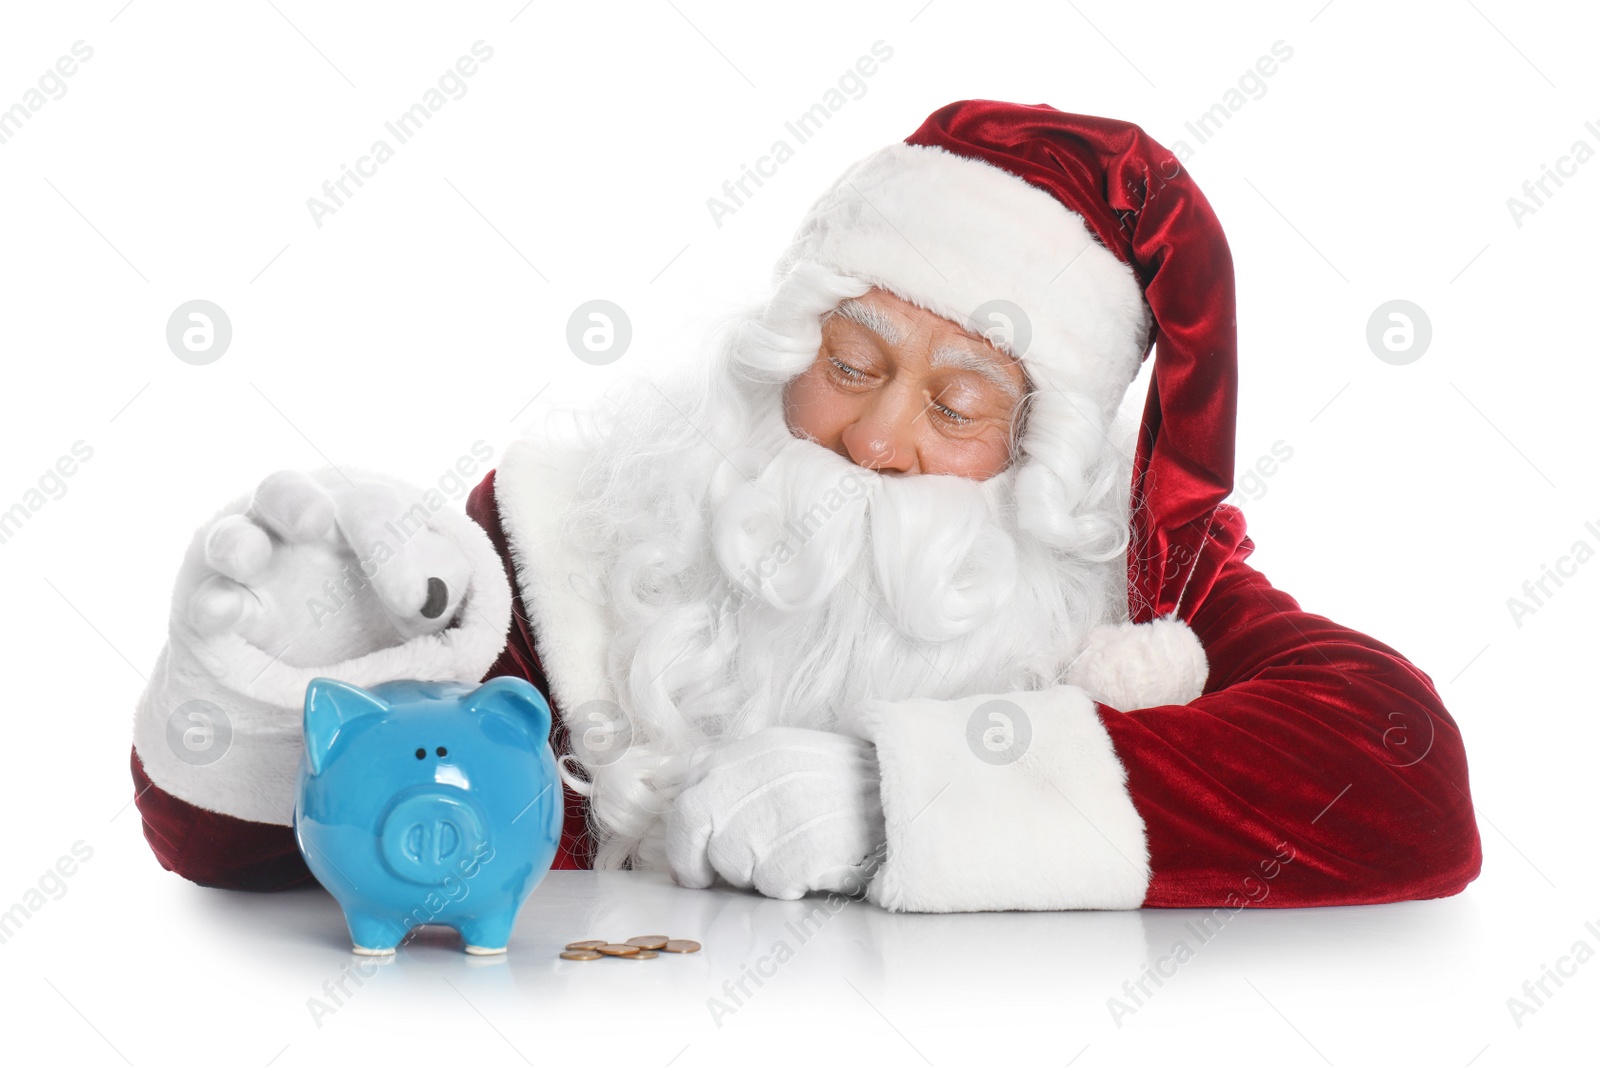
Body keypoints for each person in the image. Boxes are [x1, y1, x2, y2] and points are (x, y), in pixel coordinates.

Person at [129, 100, 1483, 912]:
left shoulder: (1135, 600)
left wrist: (906, 799)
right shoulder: (582, 533)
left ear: (1042, 451)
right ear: (785, 352)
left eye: (959, 406)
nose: (879, 439)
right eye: (851, 366)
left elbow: (1405, 774)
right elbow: (264, 861)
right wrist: (255, 689)